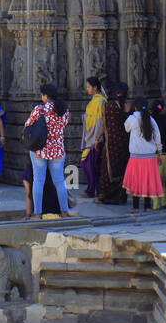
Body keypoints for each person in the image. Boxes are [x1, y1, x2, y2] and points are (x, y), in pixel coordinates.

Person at [24, 83, 75, 218]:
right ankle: (64, 211)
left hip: (40, 150)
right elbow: (63, 125)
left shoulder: (39, 109)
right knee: (59, 182)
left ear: (46, 96)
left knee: (38, 182)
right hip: (57, 150)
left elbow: (27, 125)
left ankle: (37, 214)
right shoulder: (63, 110)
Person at [123, 98, 163, 213]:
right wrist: (159, 153)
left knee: (136, 181)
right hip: (149, 156)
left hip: (136, 156)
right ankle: (147, 206)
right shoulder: (151, 119)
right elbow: (157, 137)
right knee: (148, 181)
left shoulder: (132, 118)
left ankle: (135, 207)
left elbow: (126, 129)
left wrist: (127, 113)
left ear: (135, 107)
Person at [97, 82, 130, 205]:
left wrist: (97, 139)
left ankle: (104, 196)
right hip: (125, 145)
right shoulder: (128, 106)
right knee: (123, 169)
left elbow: (103, 125)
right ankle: (121, 197)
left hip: (111, 144)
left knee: (107, 169)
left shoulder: (108, 106)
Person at [80, 77, 106, 198]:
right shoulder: (94, 101)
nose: (87, 89)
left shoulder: (100, 101)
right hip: (91, 137)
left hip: (96, 137)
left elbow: (101, 120)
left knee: (90, 164)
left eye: (88, 87)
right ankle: (93, 189)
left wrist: (97, 138)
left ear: (95, 88)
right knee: (89, 164)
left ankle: (93, 190)